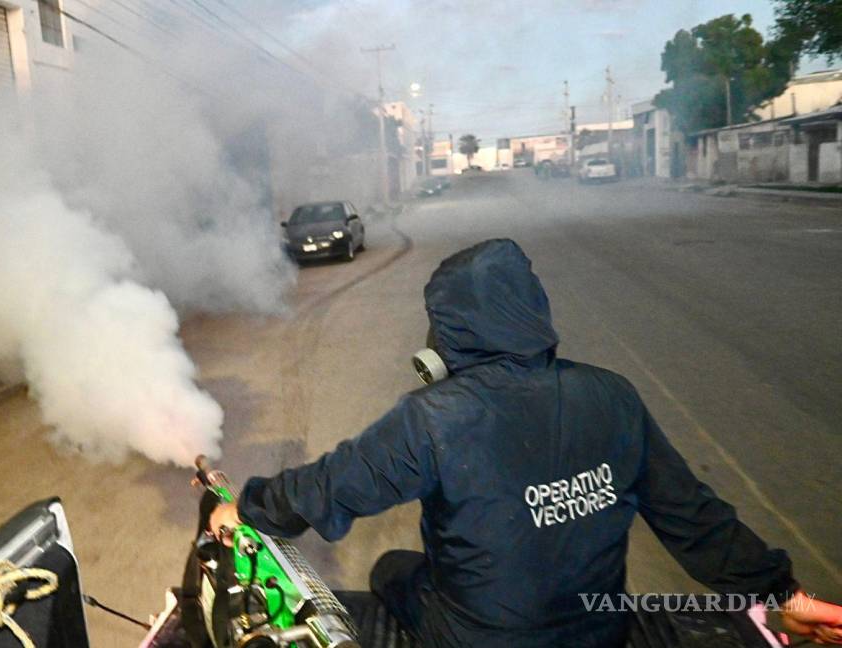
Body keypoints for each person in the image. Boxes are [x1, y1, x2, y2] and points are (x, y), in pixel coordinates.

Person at [210, 239, 842, 647]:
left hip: (477, 639)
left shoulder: (434, 416)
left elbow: (329, 486)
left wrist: (246, 505)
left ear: (446, 334)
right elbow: (694, 520)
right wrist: (785, 595)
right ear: (534, 313)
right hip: (599, 632)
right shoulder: (613, 395)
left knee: (391, 568)